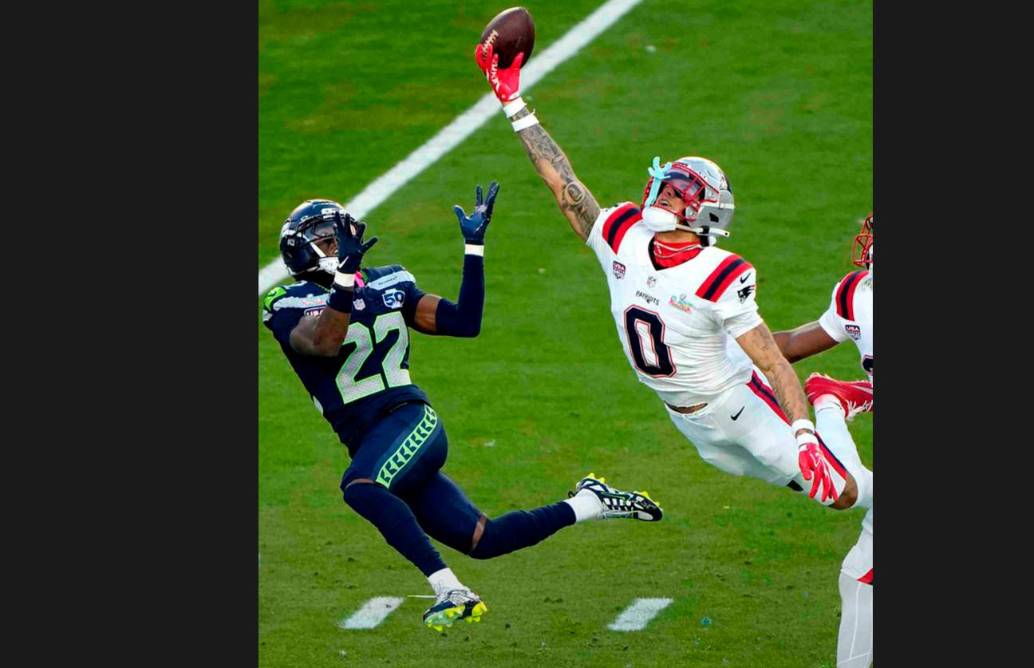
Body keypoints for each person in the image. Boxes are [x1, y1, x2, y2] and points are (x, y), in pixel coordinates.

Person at [472, 45, 873, 515]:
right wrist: (514, 105)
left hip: (737, 404)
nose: (666, 196)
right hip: (687, 420)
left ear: (706, 211)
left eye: (681, 193)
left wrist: (803, 429)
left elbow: (770, 358)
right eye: (666, 186)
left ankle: (828, 399)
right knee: (799, 482)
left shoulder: (721, 272)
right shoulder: (623, 235)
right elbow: (563, 184)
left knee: (842, 495)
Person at [261, 183, 662, 631]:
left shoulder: (389, 280)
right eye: (326, 238)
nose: (339, 245)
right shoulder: (286, 303)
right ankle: (589, 503)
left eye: (339, 235)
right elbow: (323, 343)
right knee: (484, 539)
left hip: (409, 419)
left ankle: (451, 590)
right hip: (374, 441)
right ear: (299, 251)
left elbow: (463, 322)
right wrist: (343, 282)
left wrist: (474, 249)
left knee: (361, 487)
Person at [774, 214, 875, 668]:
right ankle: (832, 398)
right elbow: (795, 342)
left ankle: (831, 399)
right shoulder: (856, 295)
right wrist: (726, 340)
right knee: (860, 576)